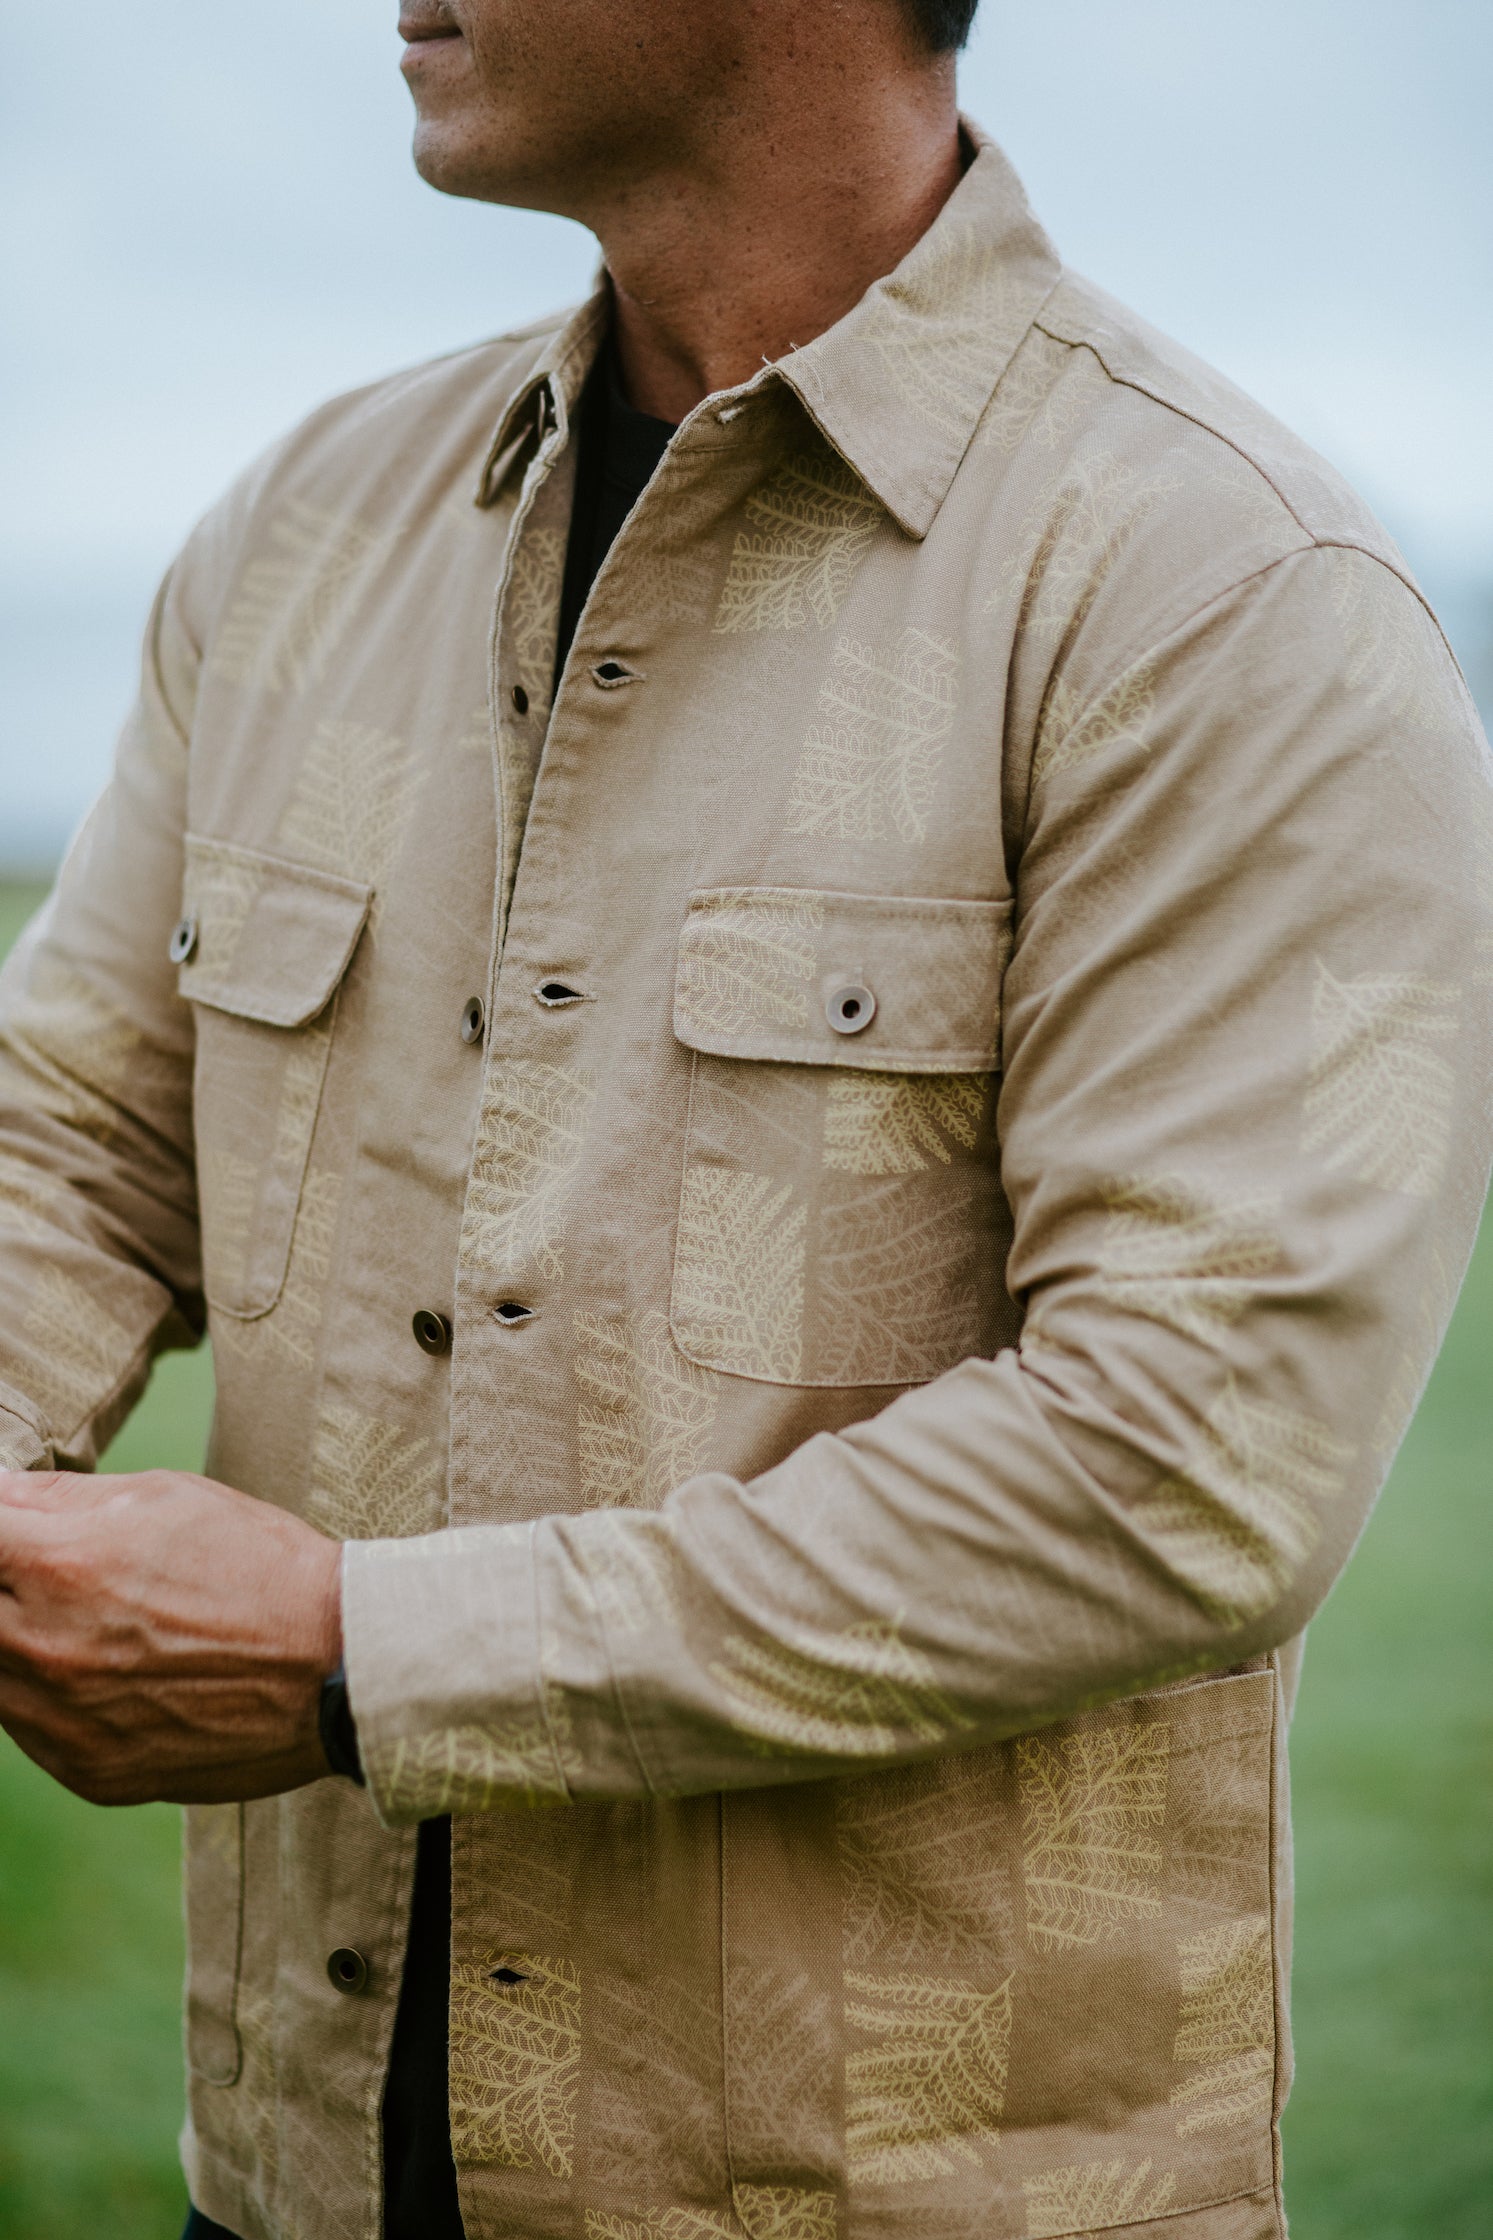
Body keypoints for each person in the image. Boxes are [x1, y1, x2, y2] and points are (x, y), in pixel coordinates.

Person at [0, 2, 1488, 2235]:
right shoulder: (307, 524)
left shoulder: (1228, 595)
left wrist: (358, 1658)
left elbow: (1191, 1459)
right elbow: (74, 1135)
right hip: (290, 2164)